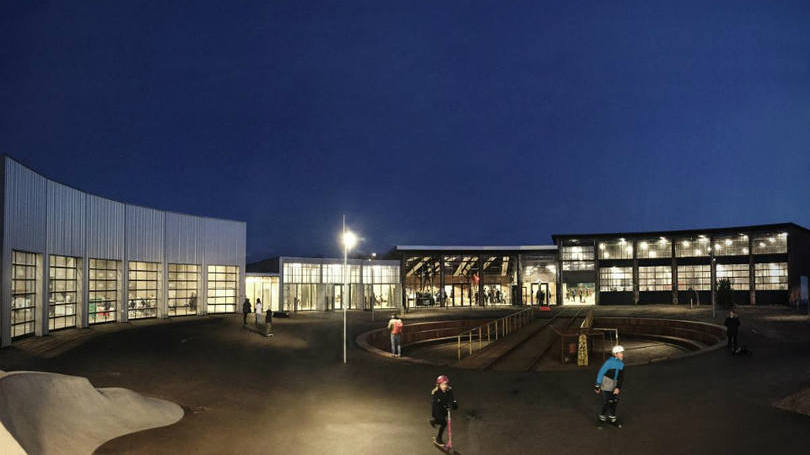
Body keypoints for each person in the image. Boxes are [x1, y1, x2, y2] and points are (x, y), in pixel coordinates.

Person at [594, 345, 625, 423]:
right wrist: (597, 385)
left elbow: (621, 377)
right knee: (608, 401)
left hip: (615, 384)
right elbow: (601, 373)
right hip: (606, 384)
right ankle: (602, 416)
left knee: (614, 401)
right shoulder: (609, 362)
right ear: (615, 354)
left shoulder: (621, 364)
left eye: (622, 353)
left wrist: (618, 387)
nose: (622, 354)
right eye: (620, 353)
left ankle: (612, 417)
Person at [430, 375, 458, 447]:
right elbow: (436, 403)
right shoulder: (435, 392)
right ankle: (438, 439)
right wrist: (445, 405)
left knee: (440, 421)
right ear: (439, 385)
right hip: (437, 410)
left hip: (444, 410)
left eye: (445, 384)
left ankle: (434, 421)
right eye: (442, 384)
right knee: (444, 423)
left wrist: (454, 404)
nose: (444, 386)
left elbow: (452, 398)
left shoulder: (449, 390)